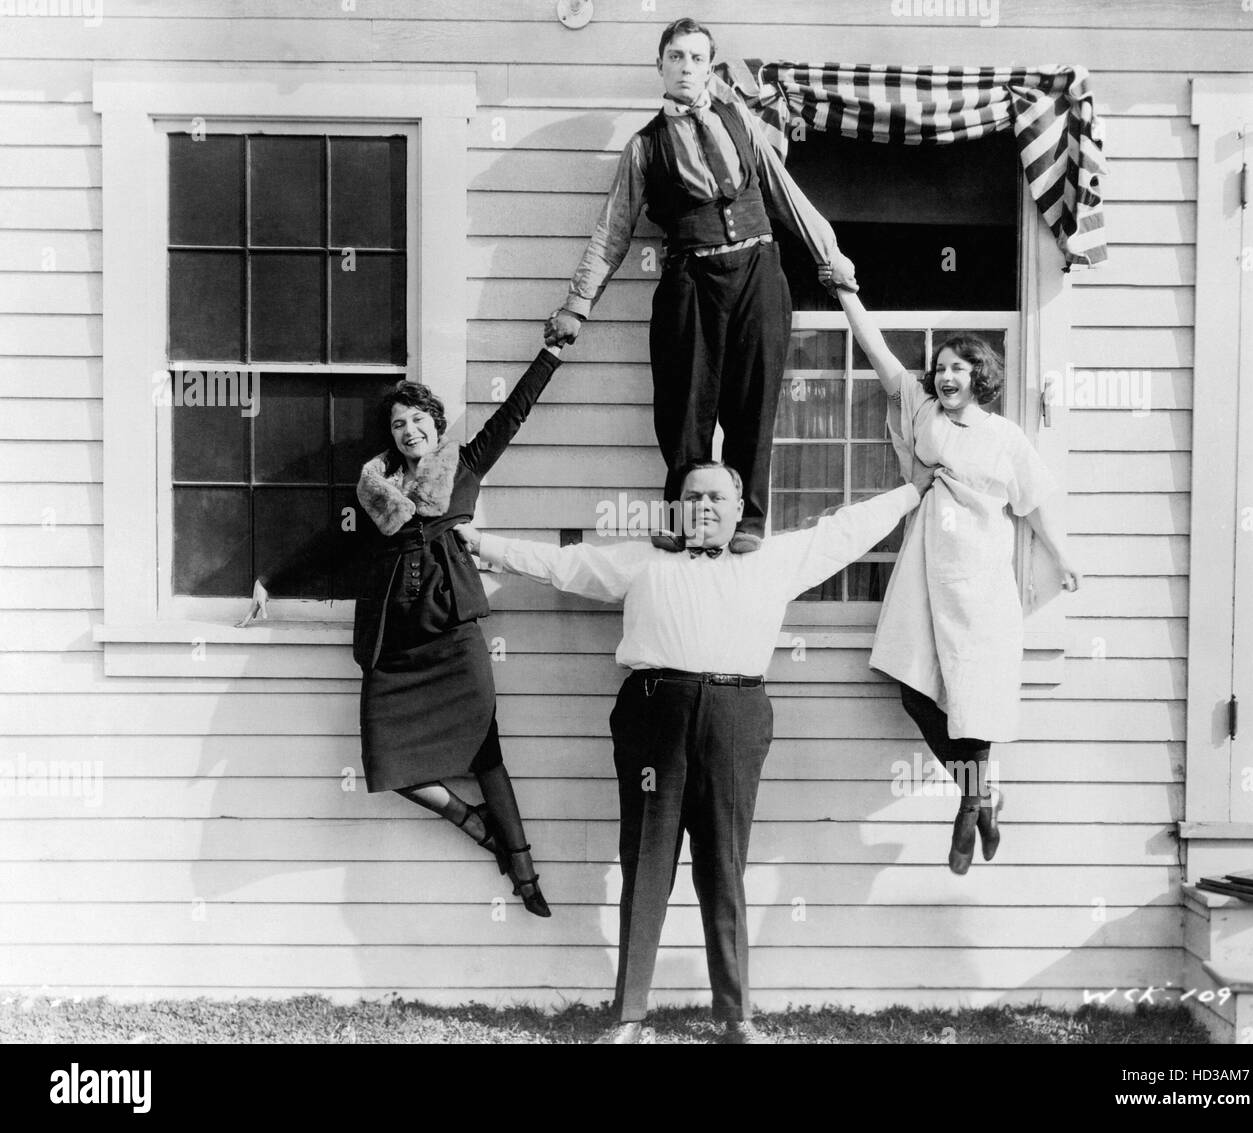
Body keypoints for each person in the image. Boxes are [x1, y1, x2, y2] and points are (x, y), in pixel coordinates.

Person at [456, 461, 921, 1042]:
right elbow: (561, 564)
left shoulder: (775, 561)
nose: (704, 506)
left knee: (724, 865)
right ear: (676, 506)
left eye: (717, 498)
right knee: (647, 864)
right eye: (692, 496)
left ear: (738, 505)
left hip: (737, 717)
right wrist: (479, 542)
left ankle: (735, 1016)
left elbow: (845, 531)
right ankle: (628, 1016)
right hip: (655, 715)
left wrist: (912, 490)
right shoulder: (643, 560)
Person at [239, 346, 566, 916]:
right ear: (390, 436)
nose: (409, 429)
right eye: (398, 423)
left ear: (436, 425)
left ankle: (523, 868)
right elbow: (332, 543)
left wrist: (550, 354)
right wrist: (273, 578)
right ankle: (472, 821)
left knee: (484, 753)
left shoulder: (464, 464)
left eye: (418, 419)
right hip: (394, 641)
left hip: (455, 636)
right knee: (386, 764)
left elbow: (515, 411)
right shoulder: (374, 491)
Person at [543, 15, 857, 553]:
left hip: (758, 270)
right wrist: (577, 305)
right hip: (689, 279)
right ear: (659, 66)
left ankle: (750, 520)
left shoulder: (741, 120)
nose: (686, 67)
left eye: (696, 58)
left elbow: (785, 193)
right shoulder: (644, 146)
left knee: (753, 401)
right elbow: (612, 231)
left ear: (709, 68)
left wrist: (831, 253)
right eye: (675, 57)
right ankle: (679, 515)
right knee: (685, 405)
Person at [830, 285, 1081, 875]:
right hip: (924, 572)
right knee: (914, 691)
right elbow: (882, 359)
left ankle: (971, 799)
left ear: (980, 376)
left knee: (972, 699)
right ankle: (982, 796)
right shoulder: (923, 413)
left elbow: (1037, 503)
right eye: (939, 368)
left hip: (979, 580)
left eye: (958, 368)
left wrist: (1062, 556)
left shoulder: (1005, 438)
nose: (945, 378)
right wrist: (845, 293)